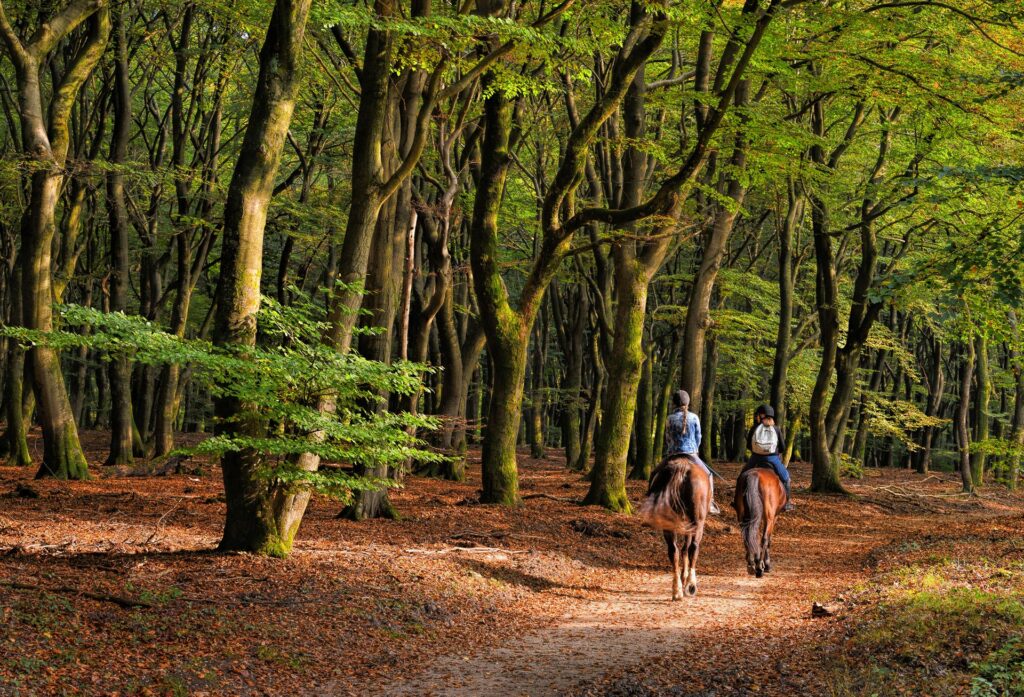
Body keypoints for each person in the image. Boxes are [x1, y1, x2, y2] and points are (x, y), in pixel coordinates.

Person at [664, 390, 720, 515]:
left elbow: (668, 438)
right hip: (691, 454)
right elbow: (698, 437)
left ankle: (653, 502)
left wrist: (671, 447)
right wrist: (695, 449)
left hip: (673, 455)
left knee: (655, 474)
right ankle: (710, 503)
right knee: (708, 474)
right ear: (687, 403)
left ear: (674, 403)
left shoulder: (669, 418)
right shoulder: (694, 417)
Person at [743, 405, 794, 512]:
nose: (757, 416)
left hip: (755, 458)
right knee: (786, 478)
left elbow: (748, 446)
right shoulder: (776, 429)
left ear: (762, 415)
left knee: (742, 477)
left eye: (758, 414)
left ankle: (739, 500)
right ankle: (787, 503)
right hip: (772, 459)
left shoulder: (754, 428)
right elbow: (783, 448)